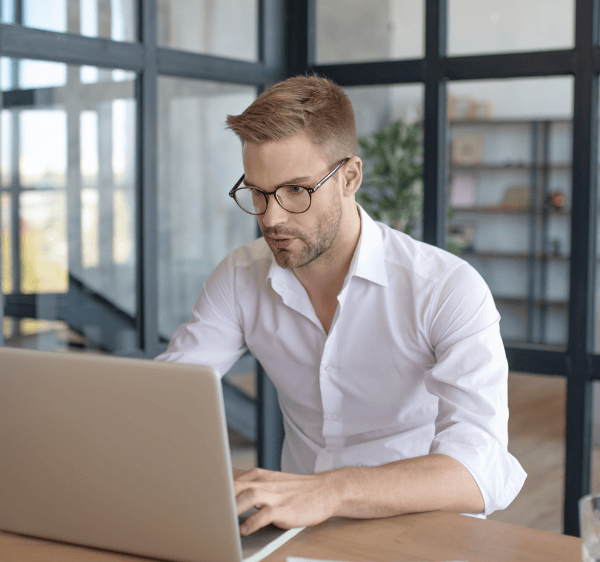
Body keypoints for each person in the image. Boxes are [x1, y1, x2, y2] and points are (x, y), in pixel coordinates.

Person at [156, 75, 526, 536]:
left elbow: (480, 469)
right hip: (296, 531)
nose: (271, 218)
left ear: (350, 177)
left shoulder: (445, 287)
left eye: (296, 191)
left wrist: (330, 490)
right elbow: (165, 400)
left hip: (421, 531)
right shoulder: (239, 275)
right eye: (257, 192)